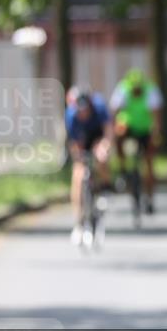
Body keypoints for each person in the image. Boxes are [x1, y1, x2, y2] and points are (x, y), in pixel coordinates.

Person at [109, 68, 163, 214]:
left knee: (149, 163)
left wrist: (155, 134)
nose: (136, 92)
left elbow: (156, 116)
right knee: (118, 135)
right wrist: (114, 130)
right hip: (129, 127)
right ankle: (122, 169)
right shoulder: (123, 89)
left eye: (138, 89)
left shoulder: (151, 91)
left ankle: (150, 198)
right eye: (134, 89)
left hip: (145, 129)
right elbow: (115, 110)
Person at [64, 85, 112, 245]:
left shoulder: (99, 108)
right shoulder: (71, 115)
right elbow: (74, 143)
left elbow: (108, 133)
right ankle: (78, 223)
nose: (83, 114)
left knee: (102, 158)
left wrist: (104, 147)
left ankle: (104, 189)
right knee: (78, 176)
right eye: (80, 111)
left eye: (85, 110)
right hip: (82, 140)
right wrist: (79, 159)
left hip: (97, 136)